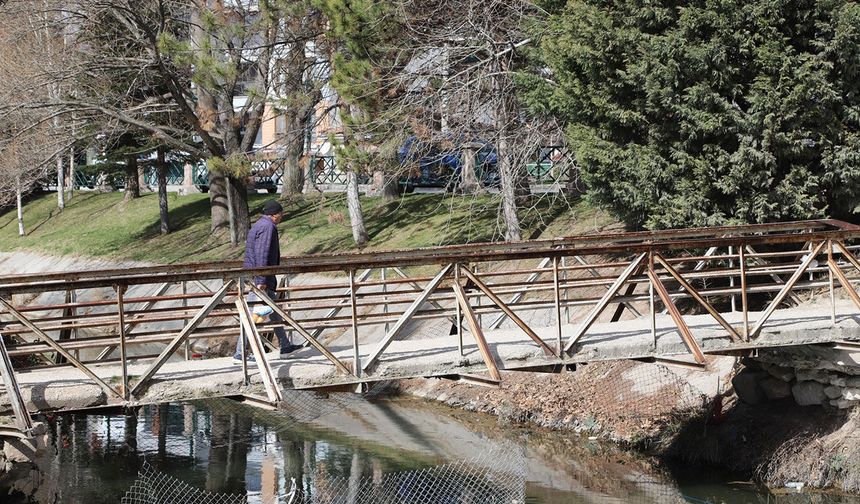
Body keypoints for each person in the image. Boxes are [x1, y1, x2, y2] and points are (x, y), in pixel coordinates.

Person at [234, 199, 300, 363]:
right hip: (260, 279)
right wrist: (262, 279)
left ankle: (284, 345)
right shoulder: (268, 227)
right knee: (252, 316)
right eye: (281, 213)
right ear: (275, 214)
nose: (282, 216)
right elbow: (262, 254)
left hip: (260, 277)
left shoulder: (259, 225)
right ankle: (240, 353)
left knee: (274, 312)